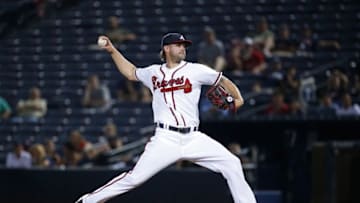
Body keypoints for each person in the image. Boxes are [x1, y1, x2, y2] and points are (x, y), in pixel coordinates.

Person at [76, 33, 256, 203]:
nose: (183, 48)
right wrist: (112, 50)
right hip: (165, 138)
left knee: (232, 163)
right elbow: (131, 72)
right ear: (167, 49)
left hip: (193, 138)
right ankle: (88, 200)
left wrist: (238, 99)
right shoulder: (153, 72)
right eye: (178, 45)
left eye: (184, 45)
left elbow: (223, 80)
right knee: (135, 178)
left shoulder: (195, 70)